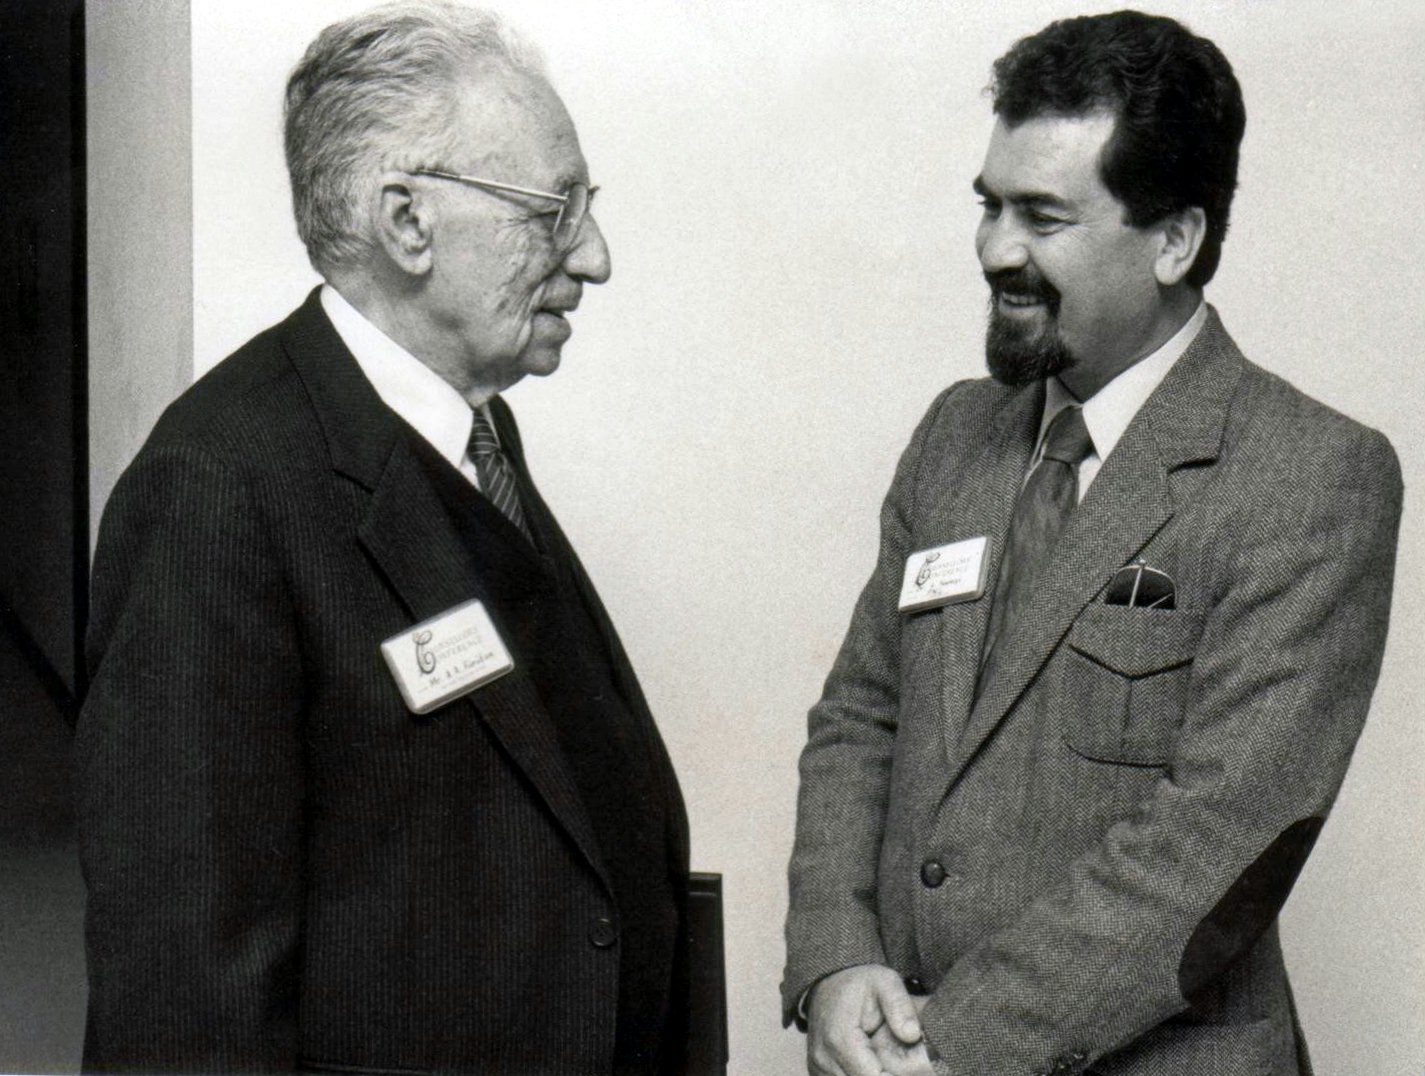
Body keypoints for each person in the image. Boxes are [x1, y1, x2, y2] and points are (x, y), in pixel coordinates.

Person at [782, 11, 1402, 1076]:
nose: (994, 250)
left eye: (1043, 215)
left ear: (1175, 240)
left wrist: (954, 1045)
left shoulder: (1312, 476)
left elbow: (1216, 841)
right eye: (989, 206)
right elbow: (860, 717)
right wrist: (834, 961)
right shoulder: (955, 435)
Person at [75, 3, 688, 1073]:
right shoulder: (215, 493)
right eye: (556, 209)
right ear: (407, 221)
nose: (594, 255)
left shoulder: (473, 434)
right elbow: (183, 1006)